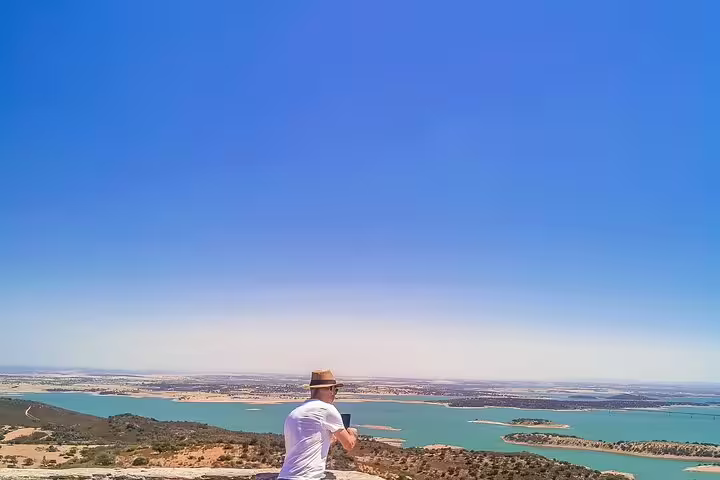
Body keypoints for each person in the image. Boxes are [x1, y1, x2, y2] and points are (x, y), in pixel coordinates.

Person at [278, 370, 359, 480]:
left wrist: (330, 439)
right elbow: (348, 445)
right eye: (336, 390)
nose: (335, 394)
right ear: (330, 389)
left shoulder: (295, 413)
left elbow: (307, 444)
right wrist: (352, 433)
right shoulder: (327, 409)